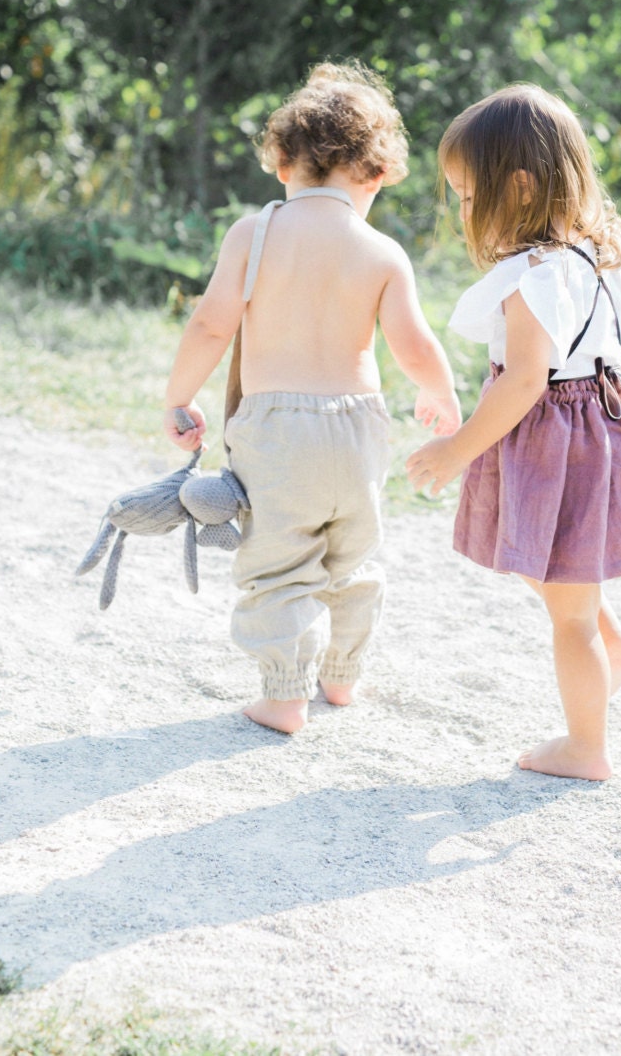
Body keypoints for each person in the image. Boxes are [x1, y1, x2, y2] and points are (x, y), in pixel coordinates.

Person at [406, 85, 621, 781]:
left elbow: (521, 381)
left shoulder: (533, 275)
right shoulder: (607, 256)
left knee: (564, 606)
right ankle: (612, 645)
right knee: (546, 562)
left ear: (514, 188)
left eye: (463, 194)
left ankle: (585, 747)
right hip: (604, 426)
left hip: (554, 439)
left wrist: (456, 450)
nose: (461, 210)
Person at [165, 61, 461, 735]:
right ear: (379, 174)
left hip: (277, 431)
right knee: (351, 556)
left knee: (278, 559)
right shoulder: (382, 251)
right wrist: (442, 400)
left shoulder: (254, 233)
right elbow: (414, 346)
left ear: (280, 164)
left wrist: (178, 396)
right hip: (359, 428)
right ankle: (342, 677)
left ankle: (282, 694)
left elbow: (212, 323)